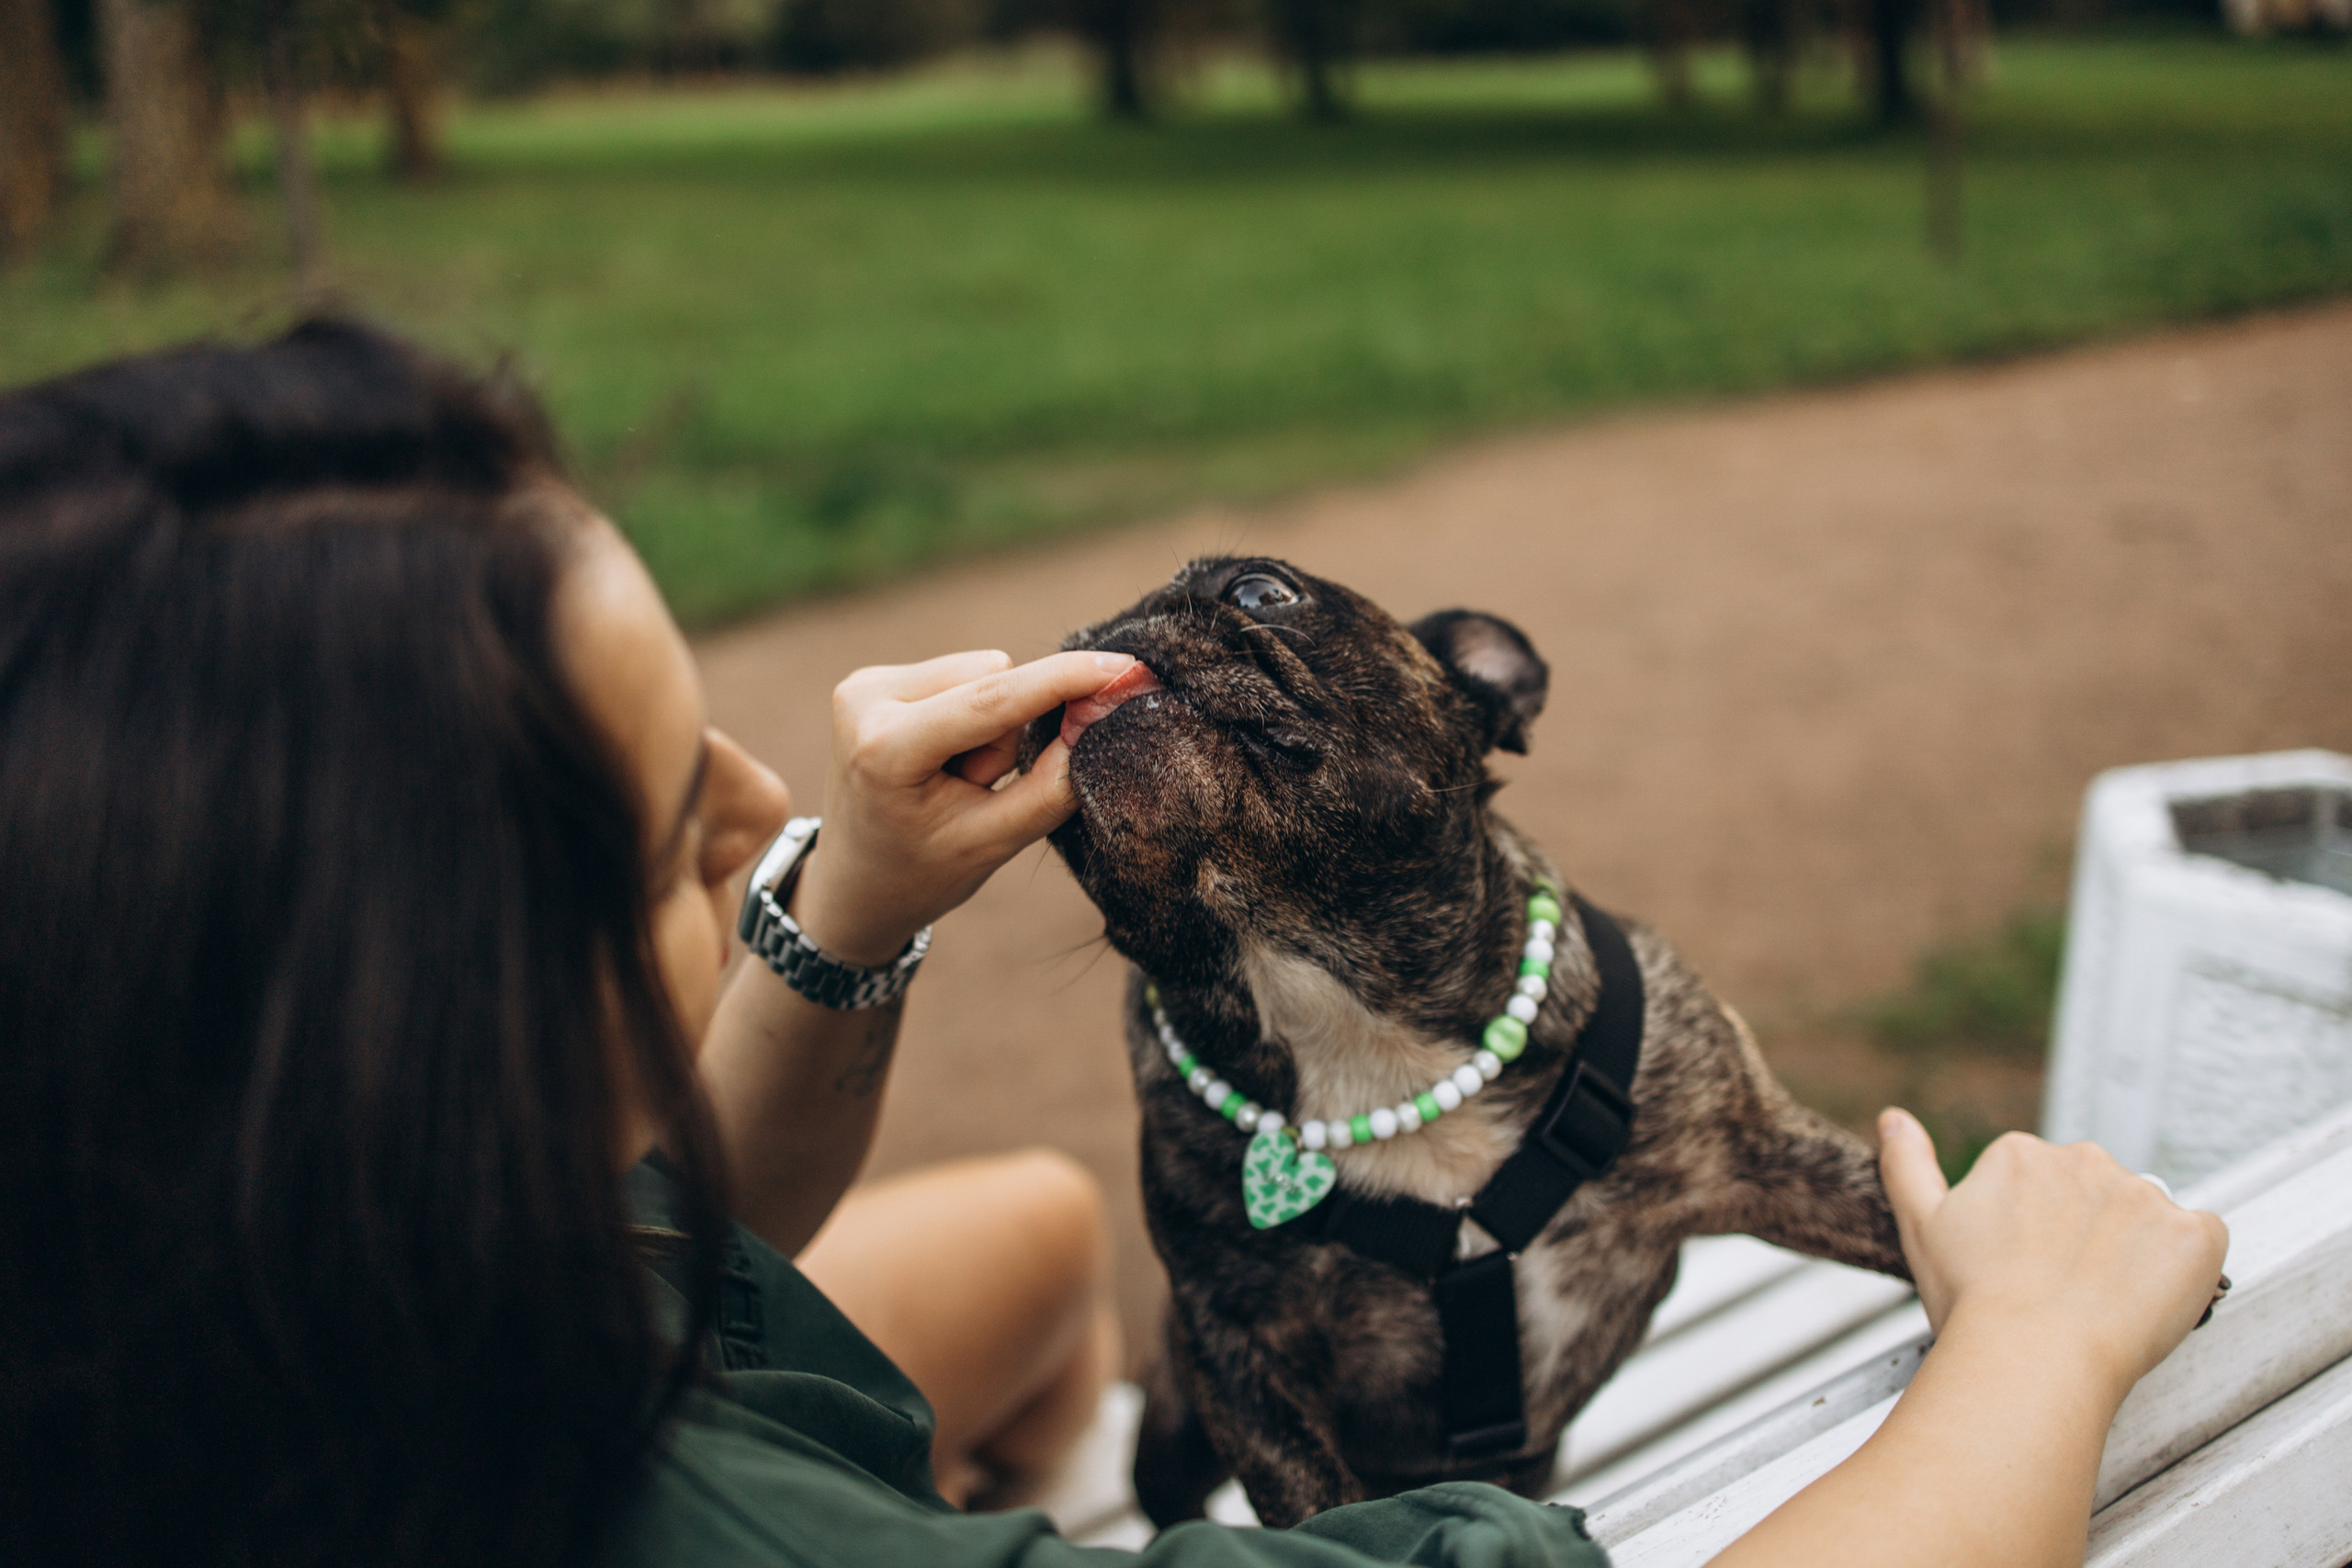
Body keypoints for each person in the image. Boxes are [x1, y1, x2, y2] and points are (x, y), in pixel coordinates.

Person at [0, 321, 2227, 1568]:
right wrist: (2031, 1338)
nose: (781, 818)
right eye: (686, 827)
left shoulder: (176, 1250)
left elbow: (712, 1231)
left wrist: (847, 911)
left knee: (1034, 1235)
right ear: (402, 1027)